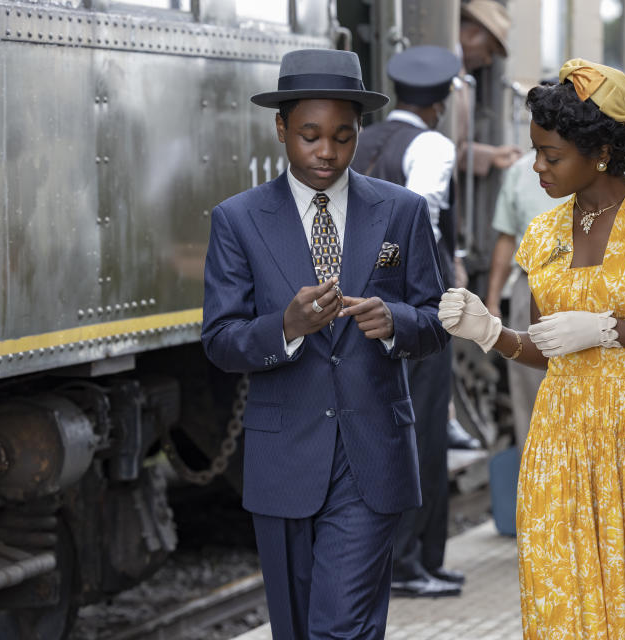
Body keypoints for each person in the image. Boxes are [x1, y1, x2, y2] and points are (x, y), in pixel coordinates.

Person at [438, 58, 625, 637]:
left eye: (551, 155)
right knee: (569, 598)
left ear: (600, 150)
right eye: (535, 151)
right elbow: (547, 348)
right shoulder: (544, 233)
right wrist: (489, 333)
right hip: (560, 441)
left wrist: (612, 329)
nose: (537, 167)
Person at [201, 49, 448, 640]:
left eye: (342, 136)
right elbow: (219, 340)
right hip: (284, 458)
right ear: (281, 128)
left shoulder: (402, 211)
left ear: (359, 132)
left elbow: (438, 318)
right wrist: (284, 327)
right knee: (296, 629)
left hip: (371, 454)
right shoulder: (238, 220)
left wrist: (397, 322)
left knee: (342, 627)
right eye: (310, 135)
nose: (326, 152)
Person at [351, 45, 464, 598]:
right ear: (440, 104)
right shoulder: (433, 143)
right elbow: (422, 214)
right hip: (416, 309)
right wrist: (397, 275)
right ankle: (410, 562)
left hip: (353, 308)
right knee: (422, 430)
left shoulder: (359, 140)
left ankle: (418, 559)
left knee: (380, 431)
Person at [485, 146, 562, 450]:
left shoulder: (604, 165)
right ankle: (535, 481)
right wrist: (492, 302)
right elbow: (506, 239)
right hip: (529, 286)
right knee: (531, 393)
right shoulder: (520, 169)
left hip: (589, 290)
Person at [455, 0, 523, 176]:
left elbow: (450, 146)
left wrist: (491, 156)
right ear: (472, 34)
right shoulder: (449, 69)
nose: (488, 60)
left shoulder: (460, 73)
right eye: (489, 50)